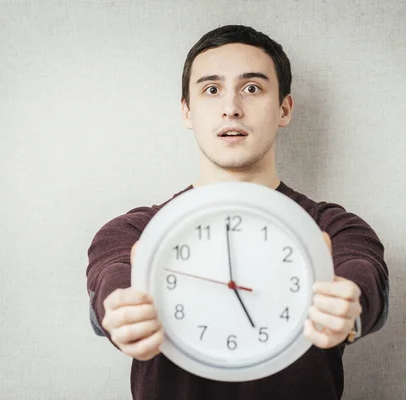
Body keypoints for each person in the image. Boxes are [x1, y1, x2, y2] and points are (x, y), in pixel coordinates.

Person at [86, 24, 389, 399]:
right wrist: (120, 308)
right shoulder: (134, 230)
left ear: (284, 108)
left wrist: (348, 305)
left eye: (252, 88)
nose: (231, 108)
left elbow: (363, 272)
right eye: (211, 90)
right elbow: (110, 274)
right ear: (187, 111)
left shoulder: (334, 227)